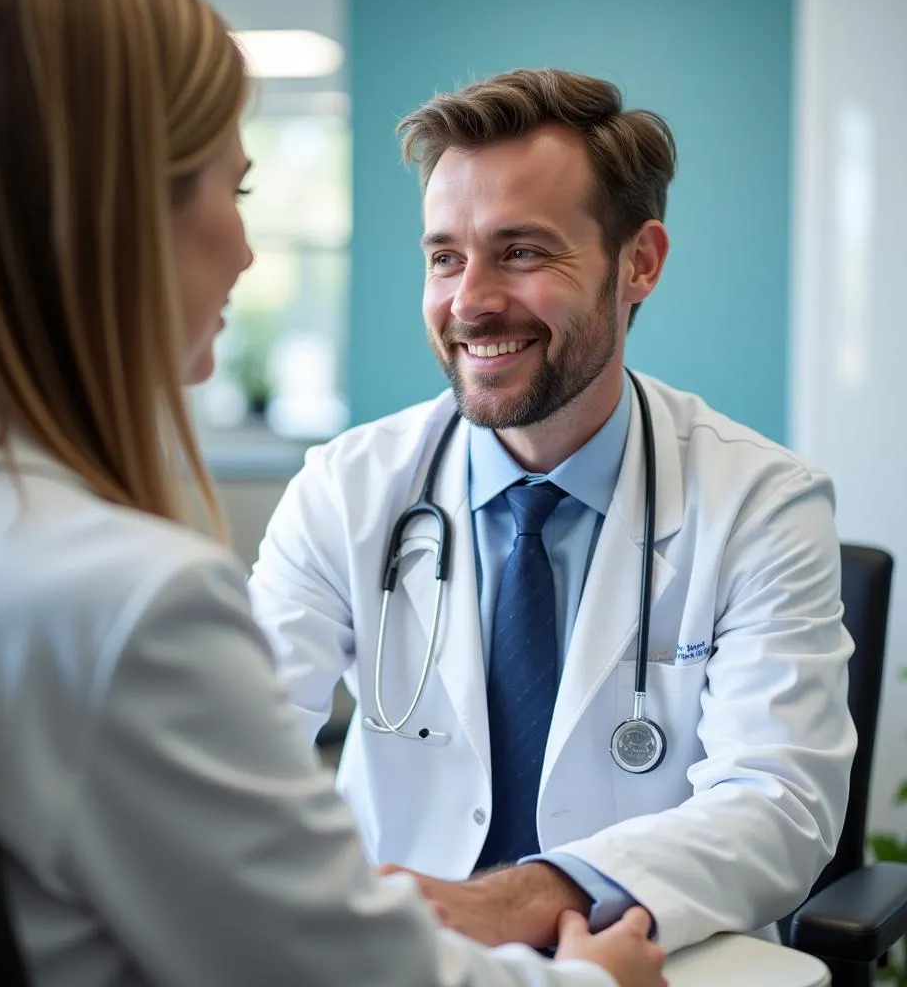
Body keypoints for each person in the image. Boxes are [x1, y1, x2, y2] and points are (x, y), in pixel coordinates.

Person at [0, 0, 668, 986]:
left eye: (519, 251)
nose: (250, 248)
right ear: (117, 213)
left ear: (637, 263)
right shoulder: (130, 602)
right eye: (232, 186)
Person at [247, 67, 857, 957]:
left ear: (639, 262)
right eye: (445, 256)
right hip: (403, 960)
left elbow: (779, 803)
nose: (470, 301)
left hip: (645, 955)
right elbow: (240, 742)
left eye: (522, 252)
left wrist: (527, 897)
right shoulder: (347, 487)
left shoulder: (761, 503)